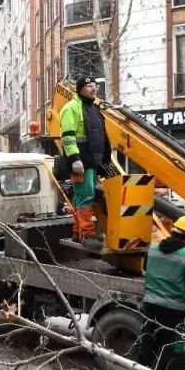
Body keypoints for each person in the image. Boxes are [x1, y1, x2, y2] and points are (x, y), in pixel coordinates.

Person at [134, 215, 185, 370]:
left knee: (147, 344)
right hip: (174, 310)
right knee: (173, 348)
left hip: (150, 305)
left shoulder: (153, 249)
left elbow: (145, 272)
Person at [58, 77, 111, 247]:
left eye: (95, 86)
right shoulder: (71, 108)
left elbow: (102, 136)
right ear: (80, 89)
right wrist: (75, 159)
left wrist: (104, 160)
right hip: (81, 162)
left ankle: (77, 231)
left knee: (83, 196)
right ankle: (87, 235)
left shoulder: (93, 109)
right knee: (85, 196)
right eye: (89, 86)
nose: (94, 89)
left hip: (91, 161)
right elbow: (67, 137)